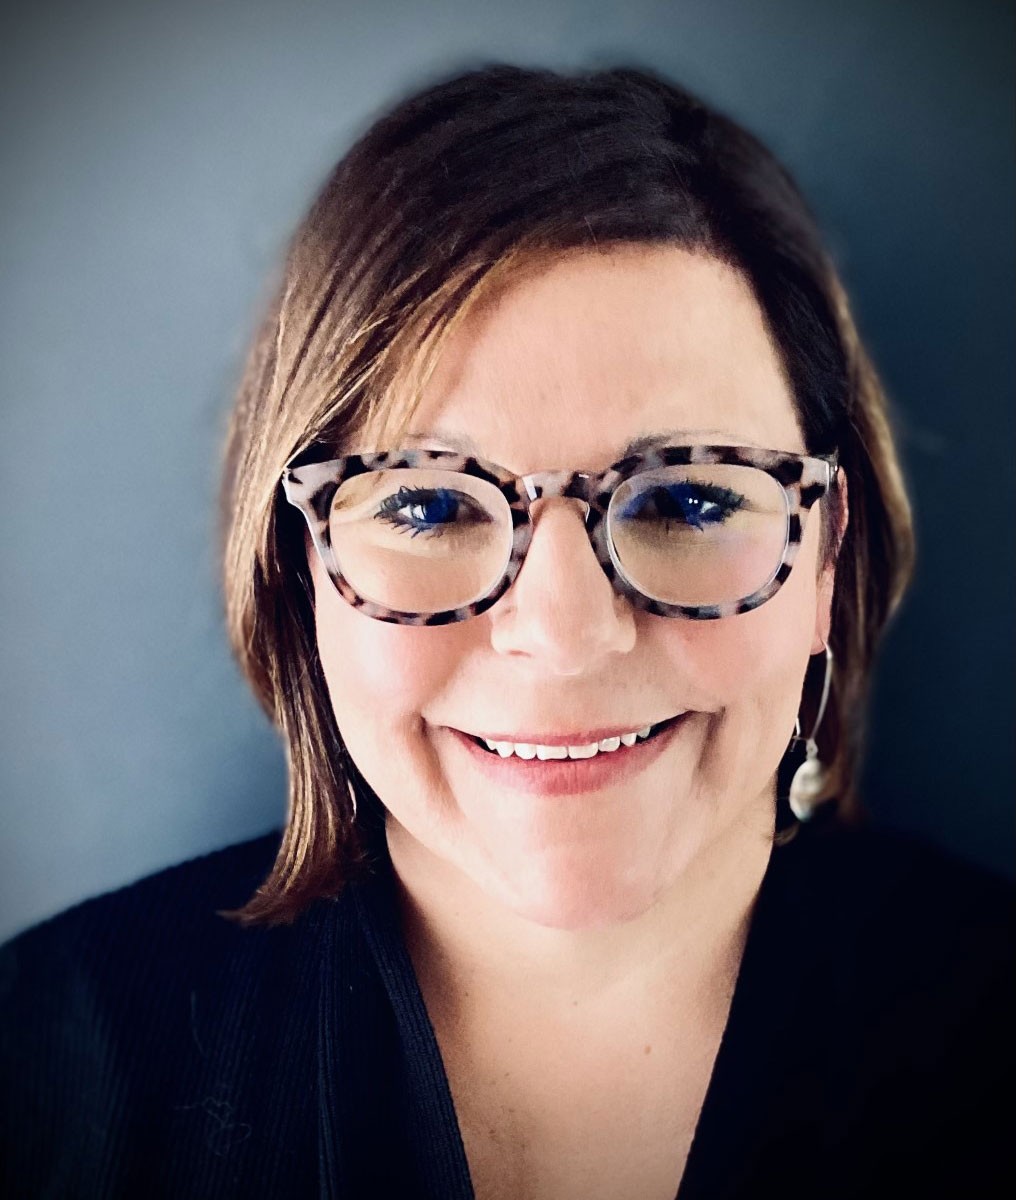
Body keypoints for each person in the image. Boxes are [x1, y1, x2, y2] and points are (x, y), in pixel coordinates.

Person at [1, 64, 1011, 1200]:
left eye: (687, 499)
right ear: (301, 578)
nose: (565, 634)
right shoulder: (39, 1066)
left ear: (824, 557)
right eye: (427, 506)